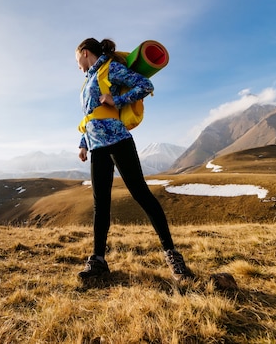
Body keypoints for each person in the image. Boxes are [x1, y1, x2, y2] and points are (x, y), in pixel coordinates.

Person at [75, 37, 192, 281]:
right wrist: (83, 143)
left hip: (118, 140)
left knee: (141, 194)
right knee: (101, 205)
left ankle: (172, 256)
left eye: (77, 59)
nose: (77, 65)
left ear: (85, 53)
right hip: (97, 148)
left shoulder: (111, 69)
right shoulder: (87, 81)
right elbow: (89, 114)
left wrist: (115, 100)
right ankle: (98, 261)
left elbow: (145, 85)